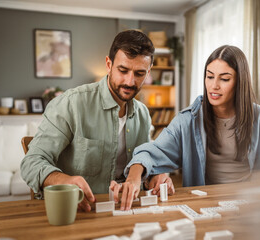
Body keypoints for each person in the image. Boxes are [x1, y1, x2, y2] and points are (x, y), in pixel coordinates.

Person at [117, 45, 260, 210]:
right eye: (210, 76)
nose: (214, 86)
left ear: (240, 82)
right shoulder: (188, 120)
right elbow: (153, 151)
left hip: (250, 206)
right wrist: (133, 177)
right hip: (206, 204)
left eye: (224, 79)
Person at [21, 30, 172, 212]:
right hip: (80, 212)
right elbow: (31, 162)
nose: (130, 81)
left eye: (139, 73)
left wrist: (155, 177)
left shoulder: (143, 115)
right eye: (123, 70)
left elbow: (146, 161)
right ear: (108, 64)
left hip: (128, 212)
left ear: (149, 71)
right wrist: (64, 181)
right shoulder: (71, 104)